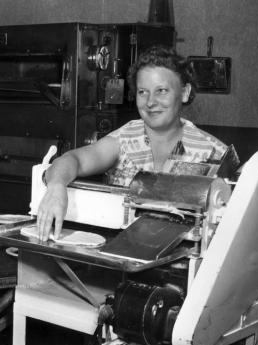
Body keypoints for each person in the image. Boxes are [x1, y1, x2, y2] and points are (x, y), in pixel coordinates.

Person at [36, 45, 229, 241]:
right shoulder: (124, 140)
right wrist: (57, 186)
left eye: (161, 91)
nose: (151, 102)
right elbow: (73, 159)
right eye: (143, 92)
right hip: (118, 252)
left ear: (185, 92)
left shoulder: (213, 153)